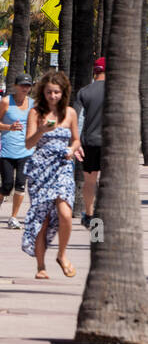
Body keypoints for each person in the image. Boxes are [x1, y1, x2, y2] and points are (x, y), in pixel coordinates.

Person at [22, 70, 83, 279]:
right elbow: (29, 143)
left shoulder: (70, 113)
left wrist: (72, 150)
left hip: (63, 166)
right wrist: (41, 130)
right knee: (44, 218)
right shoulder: (35, 113)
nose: (53, 96)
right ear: (43, 92)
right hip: (40, 169)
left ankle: (62, 255)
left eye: (56, 92)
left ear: (63, 92)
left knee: (65, 213)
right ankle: (41, 266)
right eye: (49, 92)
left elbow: (76, 140)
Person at [0, 74, 35, 229]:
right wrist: (8, 127)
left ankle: (13, 217)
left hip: (26, 150)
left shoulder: (33, 104)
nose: (25, 88)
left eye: (28, 86)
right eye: (22, 85)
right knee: (7, 184)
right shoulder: (6, 102)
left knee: (20, 184)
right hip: (7, 150)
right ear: (16, 86)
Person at [74, 57, 105, 228]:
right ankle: (102, 217)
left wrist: (76, 142)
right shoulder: (117, 91)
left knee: (90, 181)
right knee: (108, 181)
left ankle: (90, 214)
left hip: (89, 143)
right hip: (111, 146)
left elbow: (77, 119)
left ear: (95, 71)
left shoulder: (84, 91)